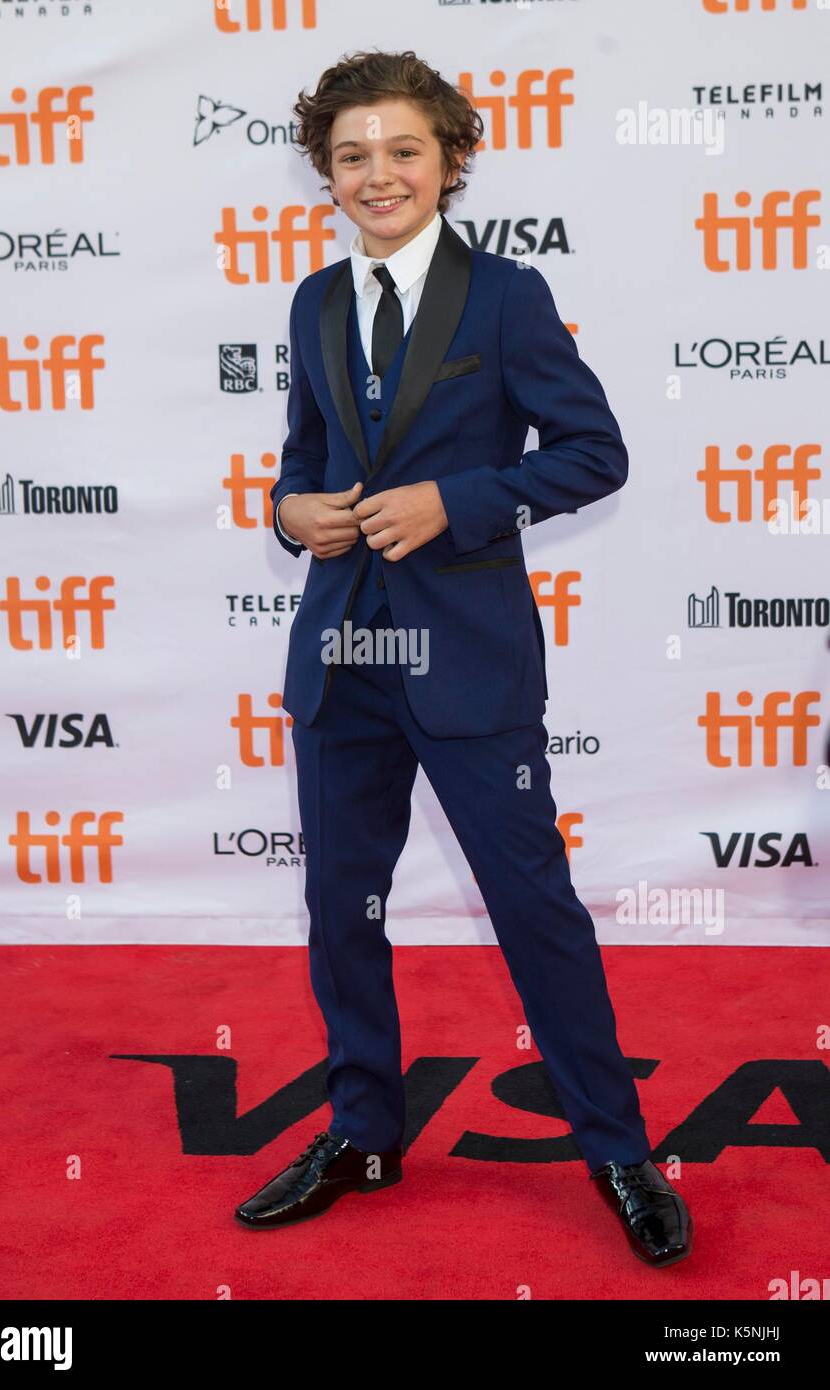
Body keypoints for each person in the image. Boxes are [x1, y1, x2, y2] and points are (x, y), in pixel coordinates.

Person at [235, 49, 692, 1267]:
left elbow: (595, 453)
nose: (376, 174)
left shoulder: (508, 296)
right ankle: (365, 1131)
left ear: (448, 160)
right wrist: (290, 515)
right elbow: (297, 461)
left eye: (401, 150)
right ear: (325, 175)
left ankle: (615, 1149)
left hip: (470, 658)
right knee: (344, 909)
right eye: (351, 156)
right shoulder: (314, 303)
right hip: (342, 657)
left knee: (534, 908)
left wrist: (459, 498)